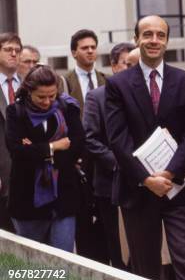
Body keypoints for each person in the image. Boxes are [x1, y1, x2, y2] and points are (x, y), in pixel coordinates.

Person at [105, 15, 185, 280]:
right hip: (137, 188)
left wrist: (169, 174)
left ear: (167, 41)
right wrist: (147, 179)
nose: (154, 40)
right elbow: (117, 138)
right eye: (147, 34)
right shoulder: (117, 85)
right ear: (136, 39)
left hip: (178, 186)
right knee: (144, 266)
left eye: (160, 35)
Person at [5, 65, 85, 252]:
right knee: (32, 263)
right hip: (27, 199)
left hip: (64, 197)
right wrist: (53, 147)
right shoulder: (15, 112)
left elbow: (78, 145)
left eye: (52, 95)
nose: (48, 102)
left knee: (62, 263)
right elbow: (16, 151)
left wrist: (35, 150)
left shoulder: (67, 107)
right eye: (41, 97)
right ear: (28, 91)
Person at [83, 42, 135, 270]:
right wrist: (122, 164)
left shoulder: (143, 96)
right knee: (117, 249)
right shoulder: (97, 97)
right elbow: (89, 139)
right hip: (110, 184)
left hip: (144, 186)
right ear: (114, 67)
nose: (132, 69)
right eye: (127, 64)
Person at [64, 29, 108, 262]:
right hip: (78, 161)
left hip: (101, 159)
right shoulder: (65, 83)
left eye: (93, 47)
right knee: (82, 218)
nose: (90, 51)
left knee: (103, 217)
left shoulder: (106, 80)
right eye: (84, 48)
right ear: (74, 52)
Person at [0, 32, 22, 232]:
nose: (14, 54)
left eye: (17, 50)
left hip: (31, 172)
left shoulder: (29, 86)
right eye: (8, 50)